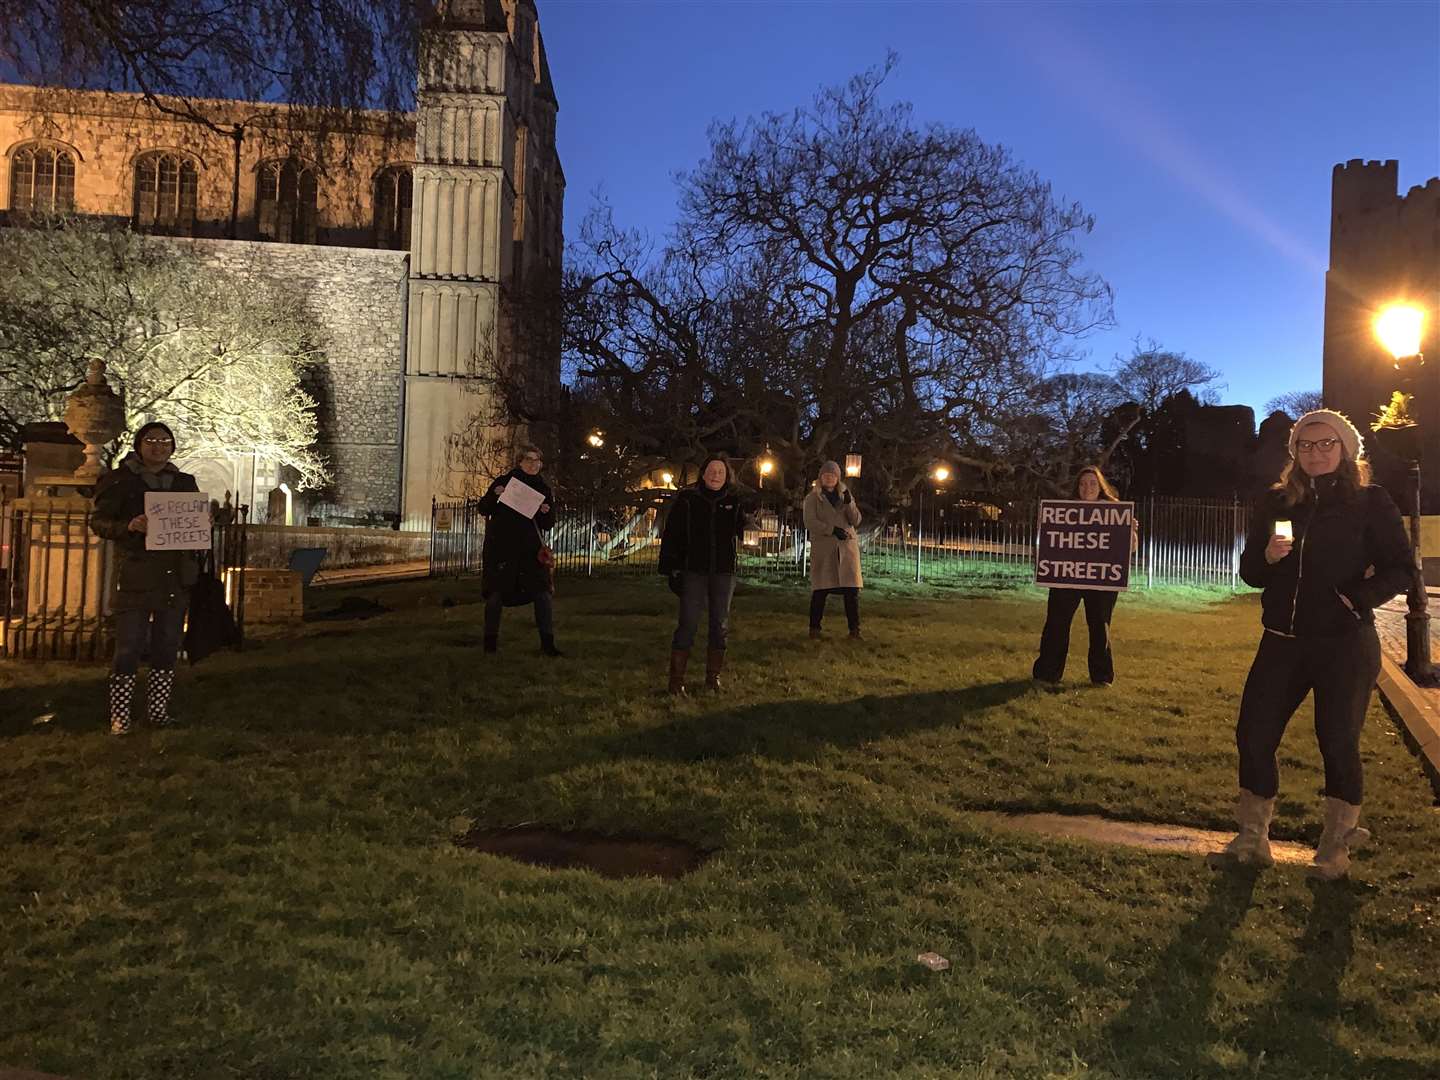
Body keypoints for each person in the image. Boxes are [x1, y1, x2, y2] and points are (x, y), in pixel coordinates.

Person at [1220, 409, 1410, 879]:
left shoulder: (1370, 501)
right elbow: (1250, 574)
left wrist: (1355, 599)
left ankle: (1334, 849)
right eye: (1307, 445)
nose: (1316, 452)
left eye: (1327, 444)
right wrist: (1266, 556)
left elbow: (1401, 568)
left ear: (1346, 449)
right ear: (1295, 453)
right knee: (1254, 734)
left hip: (1344, 643)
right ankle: (1252, 839)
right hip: (1282, 640)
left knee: (1337, 741)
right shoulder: (1277, 502)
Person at [89, 422, 201, 734]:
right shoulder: (120, 480)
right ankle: (120, 716)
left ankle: (157, 711)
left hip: (172, 576)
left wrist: (203, 521)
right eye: (151, 440)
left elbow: (192, 526)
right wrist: (129, 526)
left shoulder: (184, 482)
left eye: (165, 441)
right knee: (129, 646)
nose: (158, 446)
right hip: (136, 573)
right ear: (139, 445)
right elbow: (99, 522)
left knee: (167, 645)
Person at [1032, 465, 1136, 686]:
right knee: (1056, 624)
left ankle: (1102, 677)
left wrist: (1131, 533)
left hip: (1101, 580)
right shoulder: (1064, 511)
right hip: (1067, 577)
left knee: (1100, 626)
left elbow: (1130, 549)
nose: (1086, 487)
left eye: (1092, 483)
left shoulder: (1115, 512)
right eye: (1082, 483)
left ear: (1100, 486)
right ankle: (1047, 674)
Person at [658, 455, 747, 694]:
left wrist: (749, 529)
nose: (716, 475)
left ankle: (712, 678)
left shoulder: (734, 501)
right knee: (687, 623)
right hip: (693, 570)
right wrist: (671, 568)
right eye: (711, 470)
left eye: (720, 471)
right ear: (703, 473)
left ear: (727, 475)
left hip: (723, 571)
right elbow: (672, 534)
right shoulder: (688, 500)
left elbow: (744, 530)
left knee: (720, 624)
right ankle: (676, 681)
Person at [477, 445, 561, 657]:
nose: (534, 465)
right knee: (496, 596)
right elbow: (483, 508)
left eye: (537, 461)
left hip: (530, 553)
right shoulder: (505, 483)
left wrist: (546, 511)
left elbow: (548, 523)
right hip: (502, 551)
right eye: (529, 460)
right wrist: (496, 495)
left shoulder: (543, 489)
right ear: (520, 462)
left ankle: (547, 644)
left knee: (542, 595)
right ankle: (490, 645)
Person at [803, 460, 863, 639]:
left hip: (846, 549)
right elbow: (810, 522)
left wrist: (850, 503)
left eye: (833, 475)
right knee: (820, 590)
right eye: (826, 475)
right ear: (821, 477)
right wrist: (831, 530)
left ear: (838, 478)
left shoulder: (845, 495)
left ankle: (854, 630)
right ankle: (814, 628)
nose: (829, 478)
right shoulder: (812, 498)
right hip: (825, 549)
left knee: (851, 591)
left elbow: (856, 520)